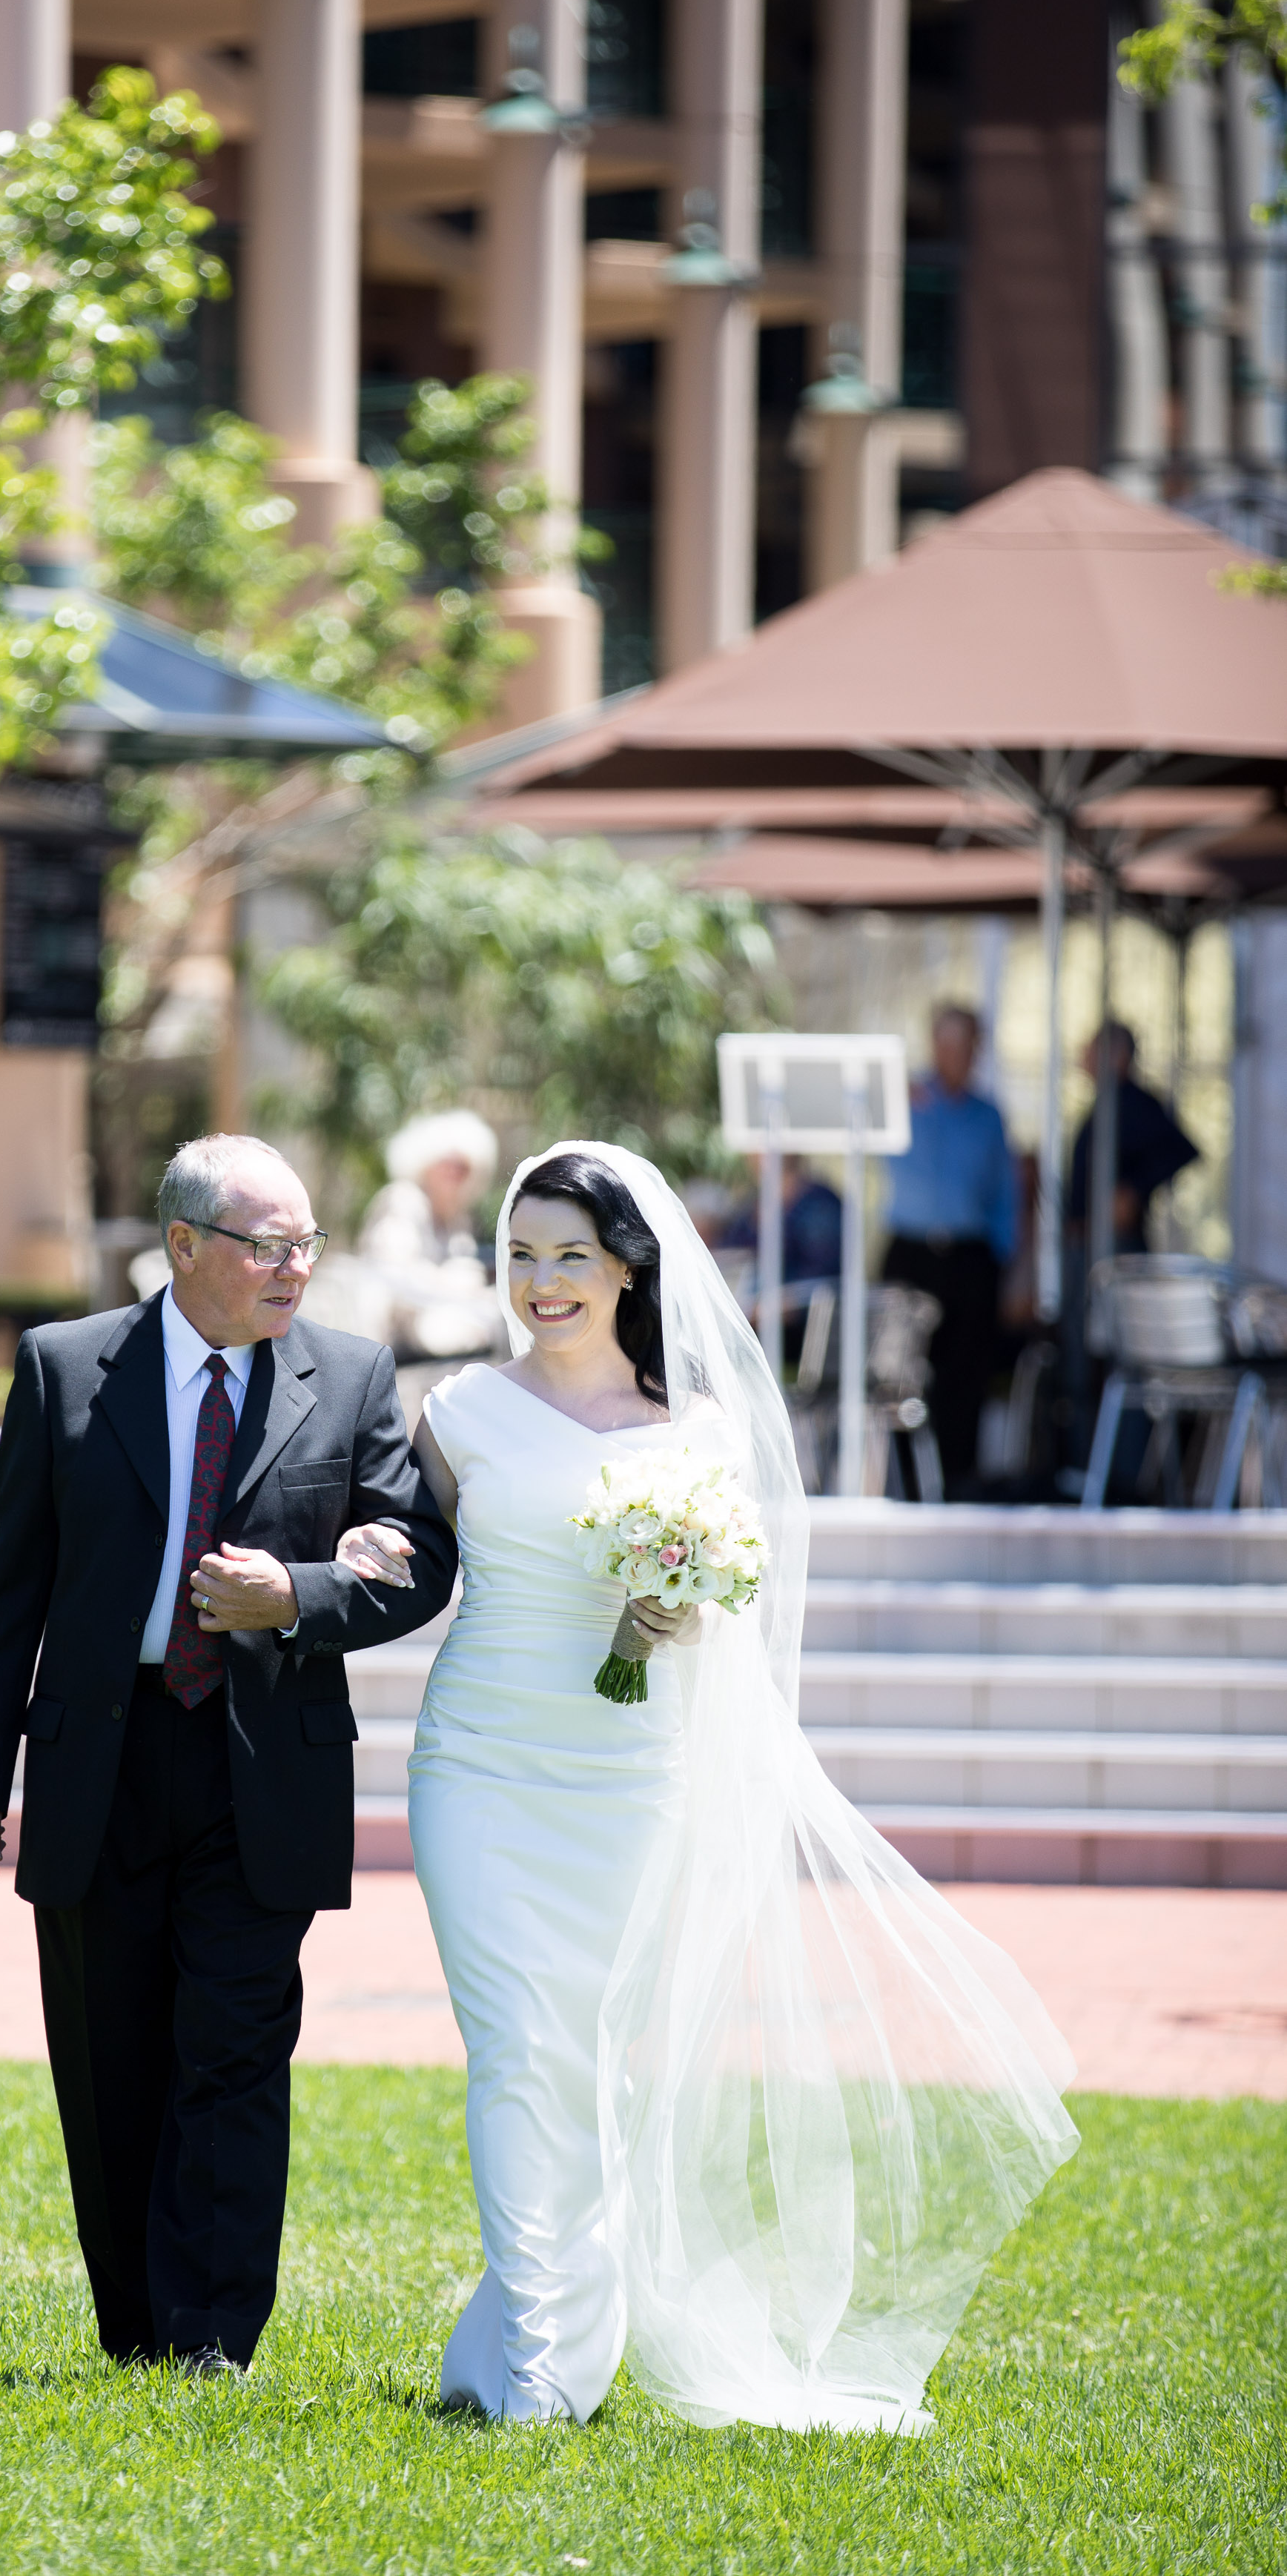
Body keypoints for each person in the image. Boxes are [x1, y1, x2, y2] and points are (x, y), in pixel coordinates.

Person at [339, 1142, 1076, 2433]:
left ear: (629, 1268)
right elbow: (423, 1549)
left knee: (597, 2064)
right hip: (479, 1766)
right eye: (523, 1255)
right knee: (515, 2048)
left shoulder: (699, 1432)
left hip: (631, 1774)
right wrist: (365, 1542)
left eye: (572, 1255)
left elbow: (729, 1600)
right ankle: (541, 2370)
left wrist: (676, 1609)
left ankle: (520, 2328)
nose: (543, 1281)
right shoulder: (457, 1411)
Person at [0, 1133, 457, 2374]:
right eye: (267, 1245)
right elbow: (10, 1588)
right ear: (183, 1245)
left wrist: (301, 1594)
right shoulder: (66, 1368)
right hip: (98, 1763)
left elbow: (416, 1557)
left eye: (305, 1243)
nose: (295, 1267)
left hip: (259, 1763)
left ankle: (212, 2337)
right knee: (108, 2055)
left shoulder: (351, 1376)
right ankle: (137, 2331)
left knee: (234, 2050)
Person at [882, 1004, 1019, 1494]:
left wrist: (1007, 1262)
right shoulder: (904, 1100)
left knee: (967, 1376)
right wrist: (891, 1092)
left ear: (977, 1050)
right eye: (946, 1044)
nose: (954, 1055)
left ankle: (959, 1483)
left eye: (964, 1046)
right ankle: (905, 1486)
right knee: (899, 1373)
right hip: (911, 1255)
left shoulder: (988, 1116)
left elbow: (1006, 1196)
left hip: (970, 1259)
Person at [355, 1109, 503, 1361]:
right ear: (424, 1164)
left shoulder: (457, 1219)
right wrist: (452, 1284)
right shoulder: (404, 1201)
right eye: (446, 1166)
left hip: (434, 1331)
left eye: (462, 1168)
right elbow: (393, 1275)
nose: (454, 1175)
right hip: (391, 1337)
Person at [1068, 1022, 1199, 1253]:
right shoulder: (1107, 1103)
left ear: (1120, 1056)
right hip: (1091, 1240)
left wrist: (1134, 1190)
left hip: (1117, 1242)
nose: (1086, 1055)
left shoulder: (1135, 1103)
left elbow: (1180, 1149)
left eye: (1096, 1049)